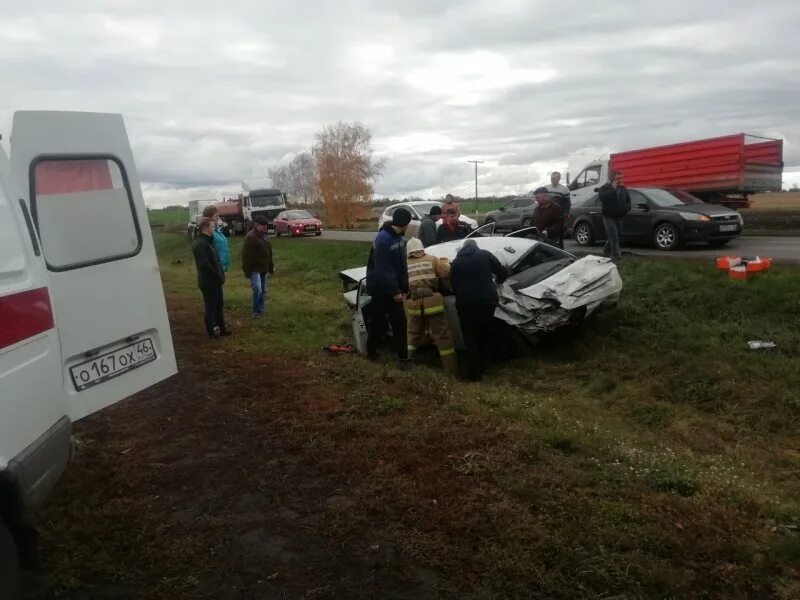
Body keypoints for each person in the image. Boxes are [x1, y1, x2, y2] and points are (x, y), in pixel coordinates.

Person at [450, 239, 509, 381]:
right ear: (476, 247)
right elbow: (501, 273)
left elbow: (453, 286)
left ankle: (474, 374)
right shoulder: (485, 254)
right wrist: (498, 281)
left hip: (466, 304)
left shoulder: (456, 263)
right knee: (485, 333)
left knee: (471, 337)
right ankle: (484, 366)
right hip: (486, 302)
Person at [404, 237, 458, 376]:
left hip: (414, 304)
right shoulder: (433, 259)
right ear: (422, 248)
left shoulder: (404, 264)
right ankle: (451, 371)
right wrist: (444, 262)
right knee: (442, 336)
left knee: (413, 334)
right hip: (432, 302)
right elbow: (447, 273)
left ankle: (407, 362)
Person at [366, 208, 411, 364]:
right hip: (381, 289)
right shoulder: (384, 240)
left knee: (400, 323)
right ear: (404, 224)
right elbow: (383, 269)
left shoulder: (397, 237)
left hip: (393, 289)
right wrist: (395, 291)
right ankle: (371, 352)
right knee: (378, 323)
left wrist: (403, 286)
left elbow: (400, 265)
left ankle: (403, 358)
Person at [192, 217, 227, 338]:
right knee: (211, 306)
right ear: (205, 228)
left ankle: (221, 329)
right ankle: (212, 331)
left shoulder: (208, 241)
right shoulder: (200, 243)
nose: (214, 228)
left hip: (215, 280)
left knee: (218, 304)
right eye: (212, 226)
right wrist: (216, 275)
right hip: (208, 281)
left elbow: (215, 261)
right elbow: (204, 264)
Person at [202, 205, 231, 334]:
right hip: (214, 269)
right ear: (209, 218)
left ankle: (220, 325)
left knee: (219, 300)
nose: (218, 218)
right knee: (213, 301)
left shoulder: (217, 230)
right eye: (216, 216)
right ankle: (213, 326)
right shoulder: (210, 234)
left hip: (221, 267)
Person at [242, 215, 274, 317]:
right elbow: (245, 256)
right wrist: (247, 271)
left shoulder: (265, 236)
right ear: (256, 225)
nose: (265, 227)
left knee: (263, 291)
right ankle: (255, 311)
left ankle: (260, 310)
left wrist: (270, 267)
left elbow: (269, 253)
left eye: (266, 226)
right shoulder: (250, 237)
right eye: (263, 226)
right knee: (257, 288)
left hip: (264, 268)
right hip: (254, 269)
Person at [598, 171, 631, 260]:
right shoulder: (604, 188)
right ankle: (616, 256)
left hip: (619, 216)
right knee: (613, 236)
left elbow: (628, 200)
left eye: (621, 178)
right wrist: (613, 189)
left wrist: (627, 208)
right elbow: (602, 197)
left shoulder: (623, 188)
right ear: (612, 179)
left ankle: (606, 252)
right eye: (617, 178)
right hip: (608, 217)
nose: (619, 180)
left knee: (617, 235)